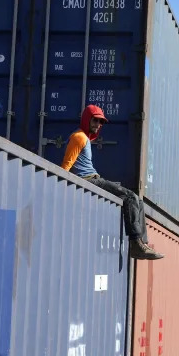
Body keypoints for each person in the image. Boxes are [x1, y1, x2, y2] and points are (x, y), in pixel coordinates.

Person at [62, 105, 164, 260]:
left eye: (101, 122)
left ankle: (142, 243)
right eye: (95, 120)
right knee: (129, 197)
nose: (98, 124)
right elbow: (66, 166)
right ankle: (136, 244)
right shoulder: (79, 137)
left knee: (138, 200)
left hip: (93, 178)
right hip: (88, 180)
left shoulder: (84, 138)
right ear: (86, 119)